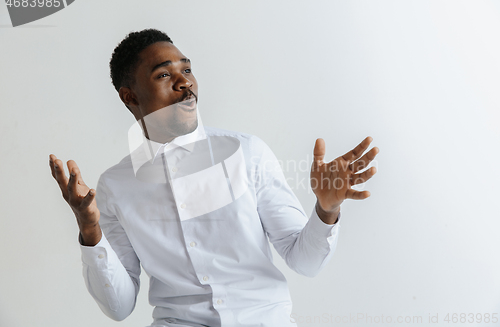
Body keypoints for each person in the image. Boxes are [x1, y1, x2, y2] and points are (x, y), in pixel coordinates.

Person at [49, 29, 379, 327]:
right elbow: (119, 307)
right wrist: (90, 231)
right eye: (164, 74)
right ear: (130, 97)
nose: (185, 82)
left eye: (187, 70)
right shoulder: (115, 186)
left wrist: (326, 210)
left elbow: (304, 261)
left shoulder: (246, 153)